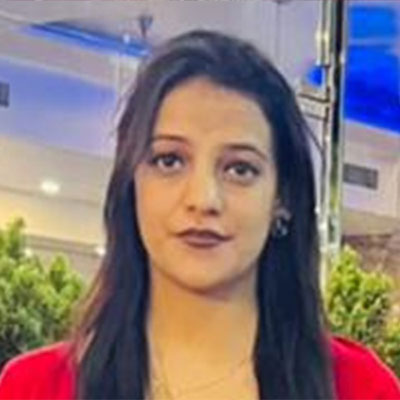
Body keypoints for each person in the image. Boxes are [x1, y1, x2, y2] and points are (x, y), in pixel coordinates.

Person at [0, 30, 399, 400]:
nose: (203, 199)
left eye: (239, 169)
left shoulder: (358, 387)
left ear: (283, 198)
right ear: (131, 182)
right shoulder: (35, 387)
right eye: (169, 160)